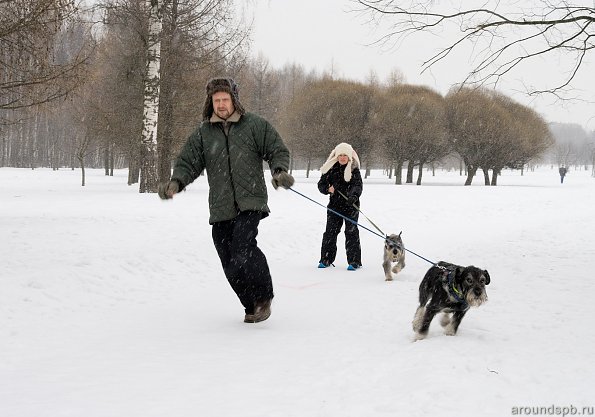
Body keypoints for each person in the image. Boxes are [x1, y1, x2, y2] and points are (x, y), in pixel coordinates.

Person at [158, 77, 294, 323]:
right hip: (221, 205)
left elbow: (276, 150)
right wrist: (176, 182)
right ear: (211, 102)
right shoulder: (203, 133)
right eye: (216, 100)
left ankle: (263, 298)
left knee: (243, 247)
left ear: (234, 100)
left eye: (225, 99)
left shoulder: (254, 125)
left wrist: (279, 171)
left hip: (250, 200)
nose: (221, 104)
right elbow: (188, 162)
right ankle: (250, 304)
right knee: (227, 258)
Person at [317, 142, 363, 271]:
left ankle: (354, 261)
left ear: (349, 156)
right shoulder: (330, 168)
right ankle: (326, 259)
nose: (342, 157)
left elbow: (358, 185)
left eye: (345, 155)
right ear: (336, 156)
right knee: (330, 233)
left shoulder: (354, 169)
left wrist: (353, 196)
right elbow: (321, 184)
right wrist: (327, 189)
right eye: (340, 155)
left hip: (351, 207)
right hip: (334, 206)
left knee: (351, 232)